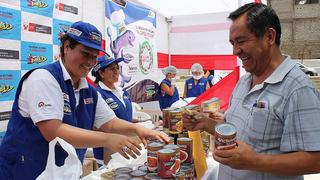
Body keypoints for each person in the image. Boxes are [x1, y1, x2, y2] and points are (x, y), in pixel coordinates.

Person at [0, 21, 167, 179]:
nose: (90, 62)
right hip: (27, 170)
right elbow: (52, 131)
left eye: (94, 56)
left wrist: (138, 130)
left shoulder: (89, 91)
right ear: (66, 47)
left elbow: (109, 122)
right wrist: (108, 139)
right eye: (85, 54)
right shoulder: (43, 78)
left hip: (64, 171)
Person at [183, 3, 320, 180]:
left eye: (241, 41)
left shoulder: (297, 88)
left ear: (269, 36)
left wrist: (254, 161)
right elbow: (237, 133)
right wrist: (206, 124)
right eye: (232, 43)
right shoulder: (244, 81)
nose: (235, 51)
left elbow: (316, 160)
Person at [91, 55, 139, 165]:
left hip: (126, 147)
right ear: (101, 73)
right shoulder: (97, 94)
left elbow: (122, 116)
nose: (116, 71)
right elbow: (95, 125)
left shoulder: (122, 92)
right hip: (107, 151)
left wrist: (132, 122)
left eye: (117, 68)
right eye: (112, 69)